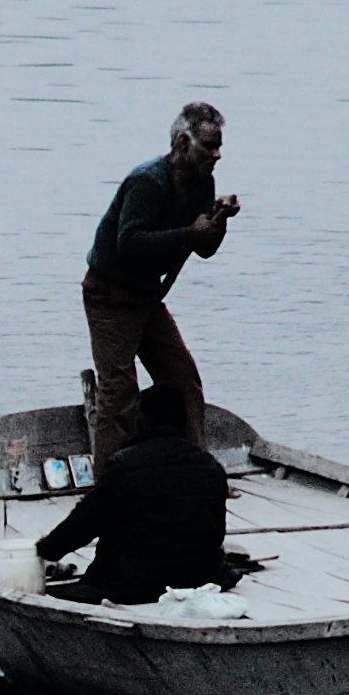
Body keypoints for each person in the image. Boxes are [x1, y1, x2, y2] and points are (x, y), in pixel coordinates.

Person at [82, 100, 239, 464]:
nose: (217, 155)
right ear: (184, 144)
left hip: (147, 298)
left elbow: (205, 249)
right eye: (209, 146)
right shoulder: (147, 181)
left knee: (183, 382)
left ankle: (196, 468)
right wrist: (187, 232)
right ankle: (108, 485)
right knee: (119, 392)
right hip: (110, 296)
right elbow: (130, 243)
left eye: (219, 146)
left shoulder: (203, 182)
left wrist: (219, 219)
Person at [35, 380, 229, 605]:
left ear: (142, 420)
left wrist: (44, 550)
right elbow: (216, 533)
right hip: (201, 578)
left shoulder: (124, 466)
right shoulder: (211, 466)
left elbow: (84, 523)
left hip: (133, 584)